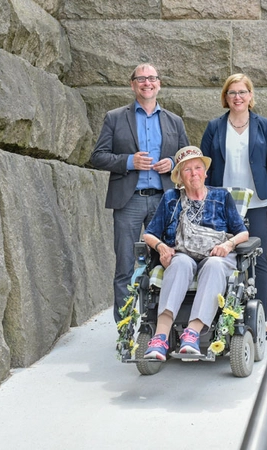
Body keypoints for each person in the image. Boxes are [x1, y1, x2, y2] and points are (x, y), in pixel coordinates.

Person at [90, 63, 189, 323]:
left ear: (159, 83)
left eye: (152, 78)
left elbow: (187, 159)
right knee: (125, 265)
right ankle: (124, 327)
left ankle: (160, 325)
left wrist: (172, 163)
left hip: (164, 202)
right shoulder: (114, 117)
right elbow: (97, 157)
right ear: (133, 84)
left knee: (167, 261)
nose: (147, 82)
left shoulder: (174, 121)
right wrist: (128, 162)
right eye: (141, 78)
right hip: (128, 201)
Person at [142, 146, 249, 359]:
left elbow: (243, 233)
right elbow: (149, 234)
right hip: (182, 254)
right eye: (187, 170)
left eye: (198, 168)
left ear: (205, 172)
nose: (194, 174)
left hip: (216, 255)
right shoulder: (171, 198)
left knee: (214, 265)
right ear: (179, 176)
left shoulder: (221, 196)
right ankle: (160, 337)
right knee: (179, 263)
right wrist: (162, 247)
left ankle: (192, 333)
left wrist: (227, 246)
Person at [200, 73, 267, 340]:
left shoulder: (264, 126)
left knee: (258, 259)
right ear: (225, 97)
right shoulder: (214, 126)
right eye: (232, 92)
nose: (238, 97)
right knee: (220, 257)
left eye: (242, 92)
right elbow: (204, 167)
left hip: (258, 203)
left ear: (250, 96)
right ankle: (219, 318)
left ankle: (261, 320)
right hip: (222, 203)